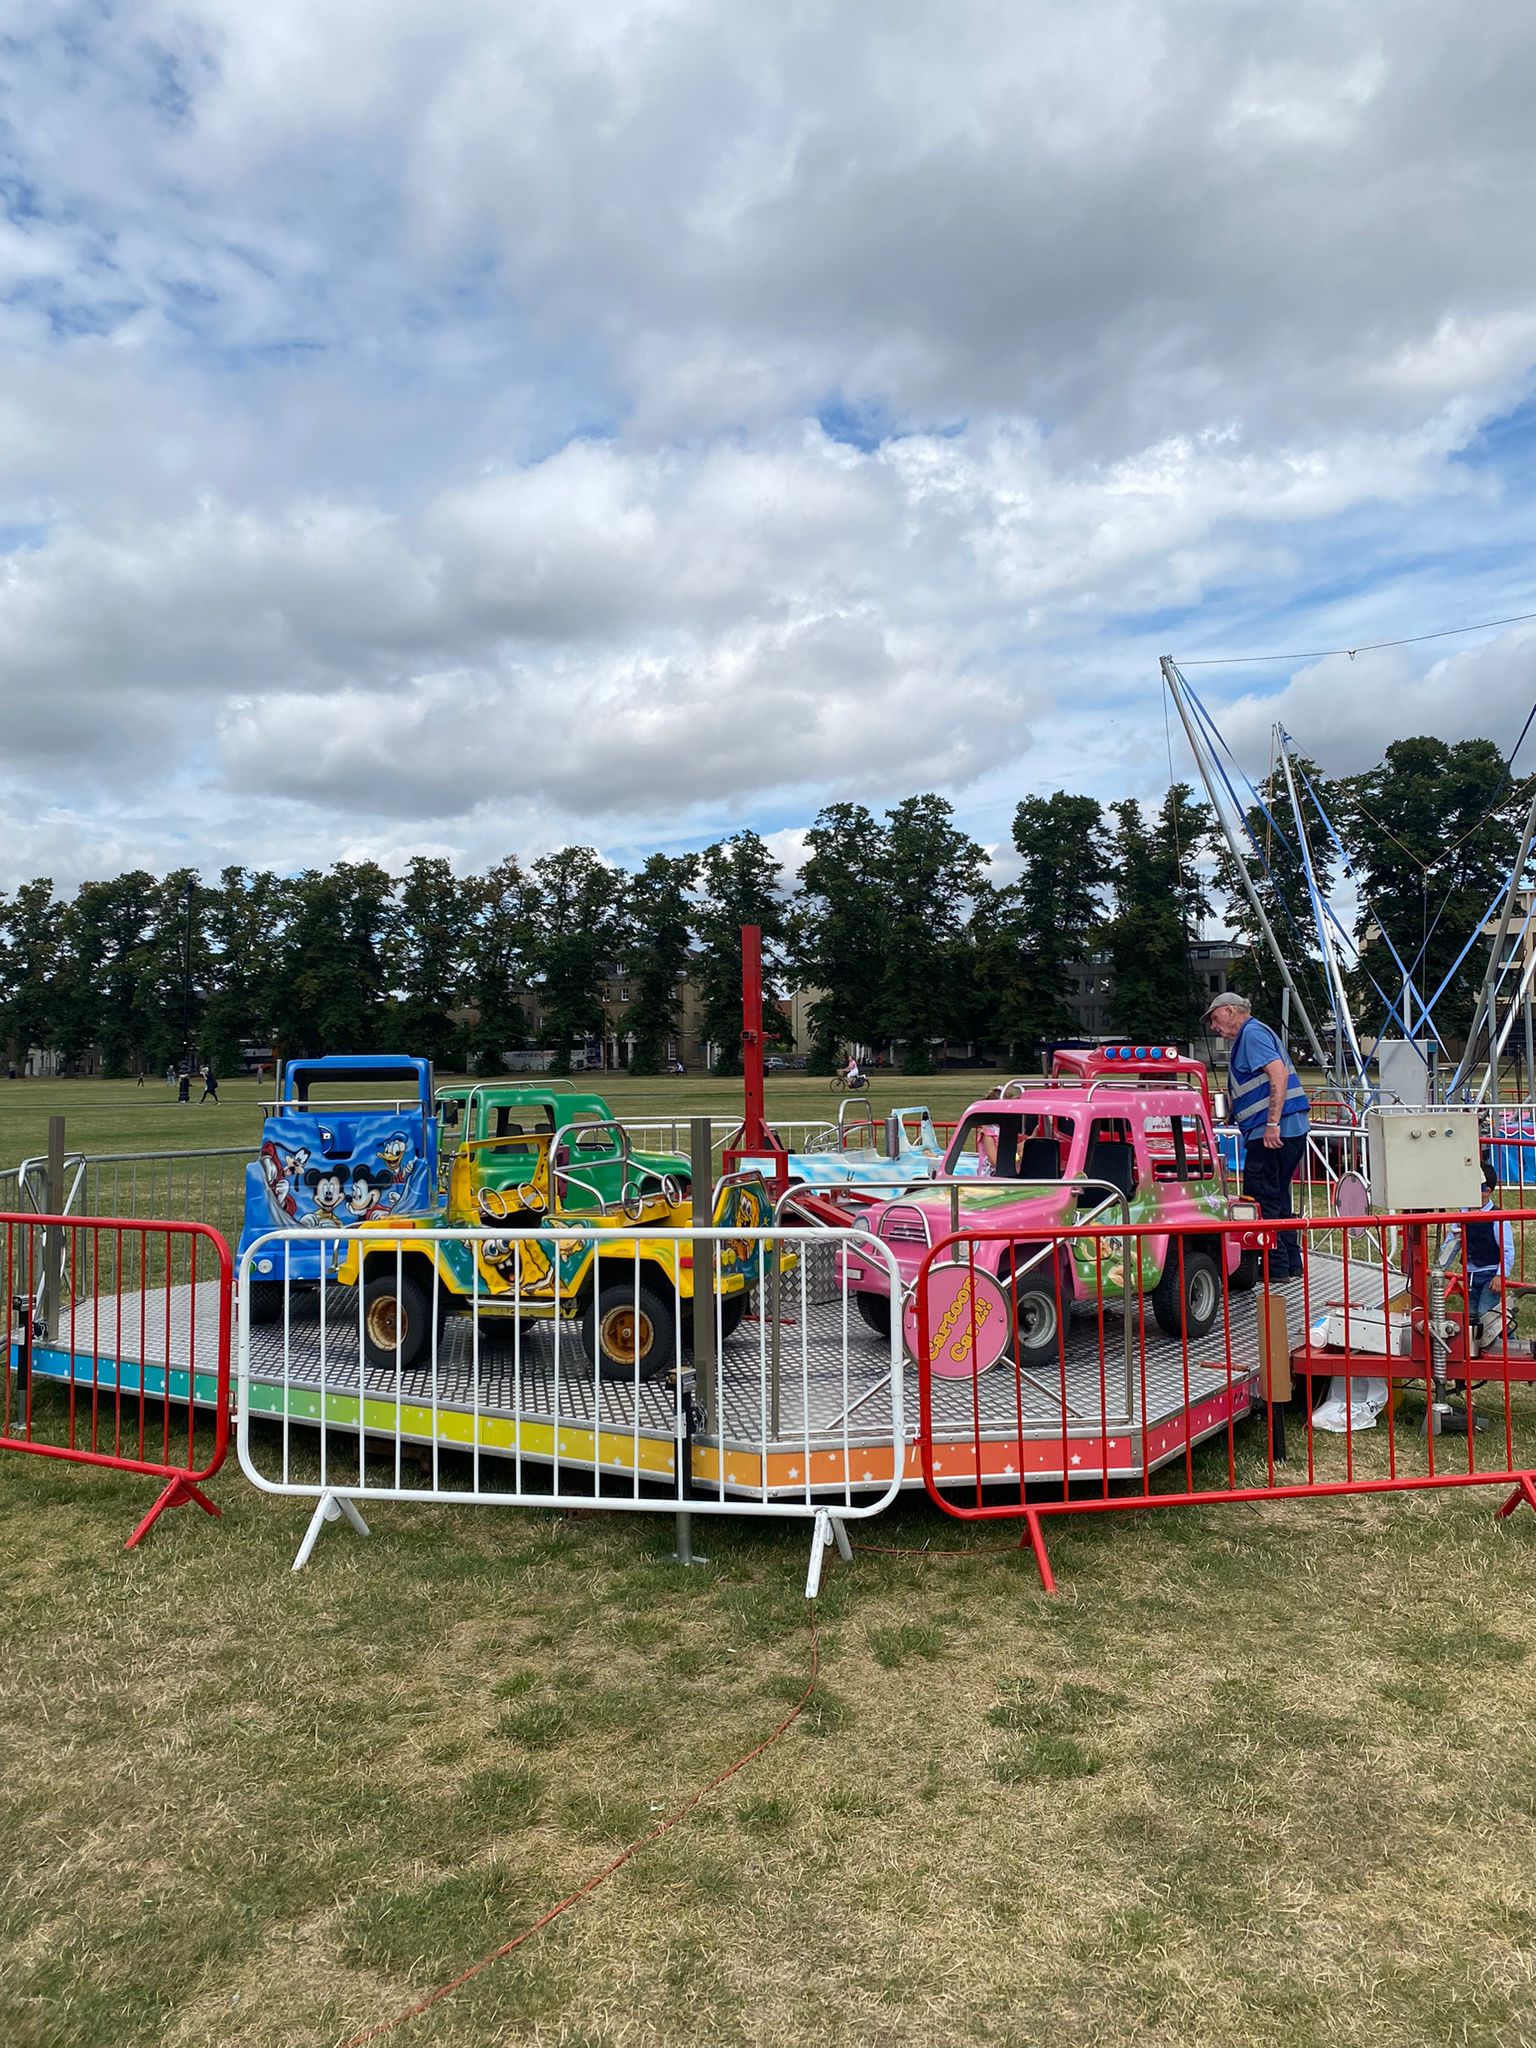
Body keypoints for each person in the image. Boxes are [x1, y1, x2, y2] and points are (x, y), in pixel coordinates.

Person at [1203, 992, 1310, 1278]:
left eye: (1215, 1018)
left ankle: (1274, 1267)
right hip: (1287, 1129)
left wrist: (1272, 1123)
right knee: (1278, 1196)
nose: (1214, 1027)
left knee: (1261, 1198)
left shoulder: (1251, 1035)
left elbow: (1278, 1074)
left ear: (1229, 1011)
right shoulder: (1256, 1033)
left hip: (1272, 1132)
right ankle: (1290, 1264)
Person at [1440, 1161, 1514, 1338]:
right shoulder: (1463, 1214)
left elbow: (1507, 1249)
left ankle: (1509, 1342)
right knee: (1471, 1315)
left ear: (1486, 1192)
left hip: (1490, 1274)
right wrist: (1441, 1265)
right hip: (1470, 1274)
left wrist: (1500, 1275)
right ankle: (1477, 1348)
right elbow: (1452, 1240)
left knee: (1487, 1314)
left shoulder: (1497, 1216)